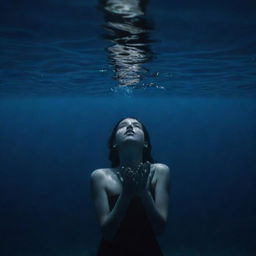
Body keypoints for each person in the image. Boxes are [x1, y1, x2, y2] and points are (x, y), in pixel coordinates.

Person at [90, 117, 170, 256]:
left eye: (136, 125)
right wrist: (127, 194)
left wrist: (144, 192)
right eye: (123, 125)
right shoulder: (100, 176)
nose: (129, 127)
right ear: (114, 143)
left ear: (145, 143)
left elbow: (159, 229)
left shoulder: (161, 171)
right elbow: (108, 233)